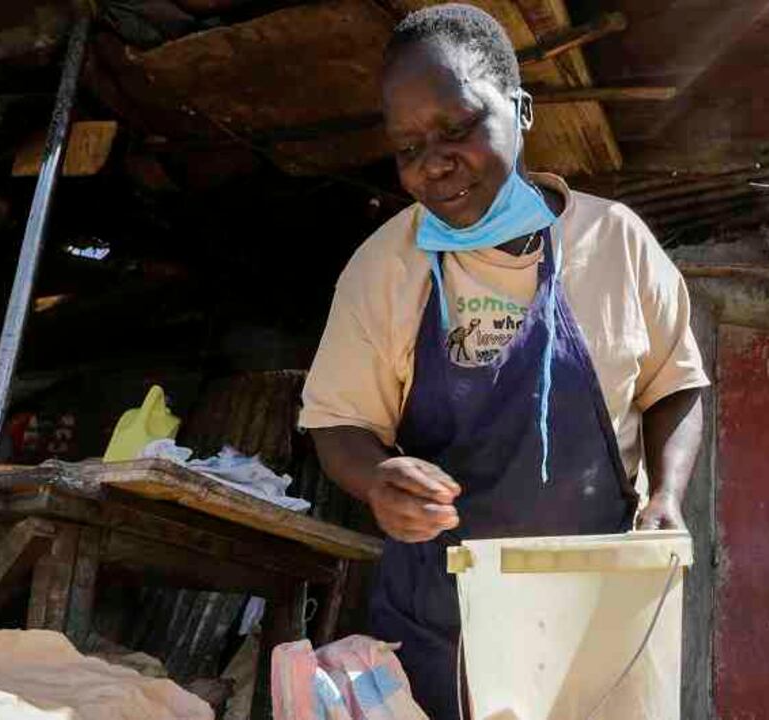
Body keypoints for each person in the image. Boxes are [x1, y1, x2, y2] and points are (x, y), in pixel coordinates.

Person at [299, 5, 709, 717]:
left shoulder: (616, 242)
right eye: (408, 147)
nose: (433, 162)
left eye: (457, 129)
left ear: (521, 110)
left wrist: (667, 495)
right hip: (444, 620)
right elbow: (338, 423)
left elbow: (674, 385)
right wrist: (376, 479)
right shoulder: (383, 269)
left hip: (596, 612)